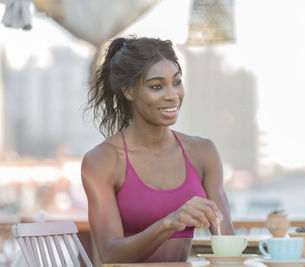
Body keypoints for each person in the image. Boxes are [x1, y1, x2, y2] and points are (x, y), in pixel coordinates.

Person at [81, 35, 235, 263]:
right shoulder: (103, 160)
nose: (172, 95)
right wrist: (169, 223)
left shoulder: (203, 152)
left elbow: (226, 240)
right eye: (156, 86)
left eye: (177, 82)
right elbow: (109, 252)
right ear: (128, 91)